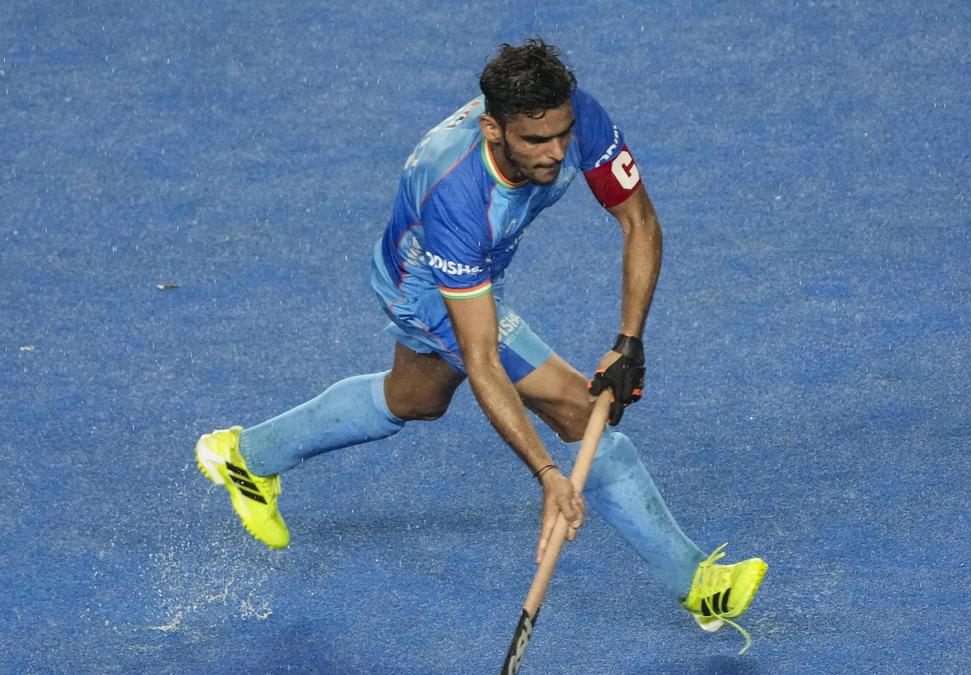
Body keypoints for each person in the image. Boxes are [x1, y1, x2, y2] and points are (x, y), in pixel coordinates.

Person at [195, 38, 766, 650]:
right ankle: (698, 584)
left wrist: (630, 342)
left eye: (562, 135)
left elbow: (639, 220)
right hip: (426, 285)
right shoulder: (459, 198)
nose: (556, 153)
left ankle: (246, 456)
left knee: (416, 397)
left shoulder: (572, 113)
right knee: (579, 408)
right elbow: (483, 360)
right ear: (493, 129)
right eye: (535, 141)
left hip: (477, 265)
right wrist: (548, 474)